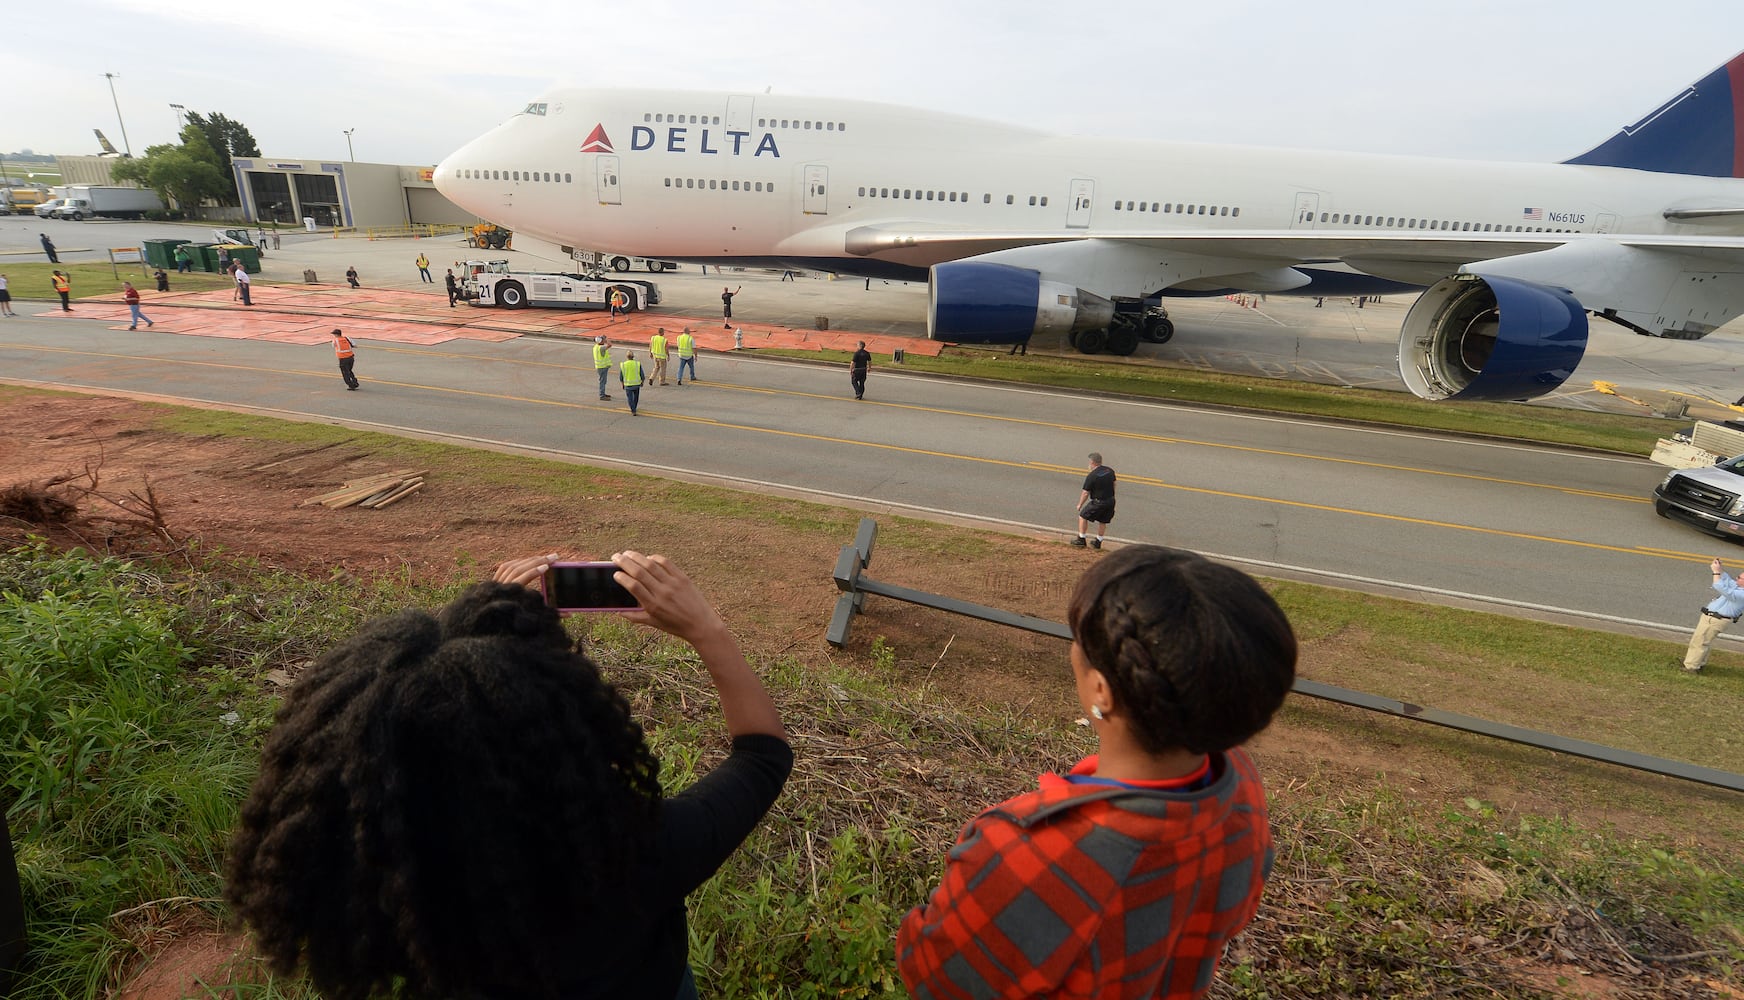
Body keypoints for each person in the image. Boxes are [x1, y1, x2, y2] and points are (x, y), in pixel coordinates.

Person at [224, 550, 791, 1000]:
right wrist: (708, 630)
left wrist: (476, 634)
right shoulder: (638, 857)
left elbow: (426, 721)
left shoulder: (393, 875)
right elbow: (762, 756)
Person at [896, 546, 1295, 1000]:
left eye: (1079, 642)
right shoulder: (1239, 786)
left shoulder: (1031, 852)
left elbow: (934, 977)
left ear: (1101, 690)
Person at [1683, 557, 1744, 673]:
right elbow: (1727, 581)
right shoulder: (1738, 587)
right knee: (1702, 641)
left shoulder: (1741, 595)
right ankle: (1696, 662)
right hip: (1712, 617)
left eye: (1739, 577)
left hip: (1716, 619)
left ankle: (1691, 667)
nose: (1736, 578)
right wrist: (1720, 569)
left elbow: (1720, 587)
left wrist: (1716, 572)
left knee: (1700, 641)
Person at [1073, 452, 1116, 548]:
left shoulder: (1092, 476)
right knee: (1103, 521)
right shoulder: (1109, 470)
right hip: (1110, 500)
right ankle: (1098, 542)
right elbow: (1114, 484)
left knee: (1083, 516)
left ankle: (1081, 539)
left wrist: (1080, 504)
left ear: (1093, 462)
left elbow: (1085, 493)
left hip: (1099, 502)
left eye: (1089, 462)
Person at [620, 350, 646, 416]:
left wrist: (622, 383)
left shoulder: (623, 365)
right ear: (633, 357)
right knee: (636, 397)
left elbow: (621, 376)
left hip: (628, 385)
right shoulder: (637, 364)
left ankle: (633, 409)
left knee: (630, 398)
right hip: (636, 384)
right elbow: (642, 375)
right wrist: (642, 382)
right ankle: (634, 407)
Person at [593, 335, 613, 400]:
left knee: (603, 381)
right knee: (602, 381)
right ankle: (602, 395)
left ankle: (603, 393)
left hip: (600, 367)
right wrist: (606, 339)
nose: (603, 340)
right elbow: (610, 345)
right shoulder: (601, 348)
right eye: (602, 340)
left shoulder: (596, 347)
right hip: (602, 367)